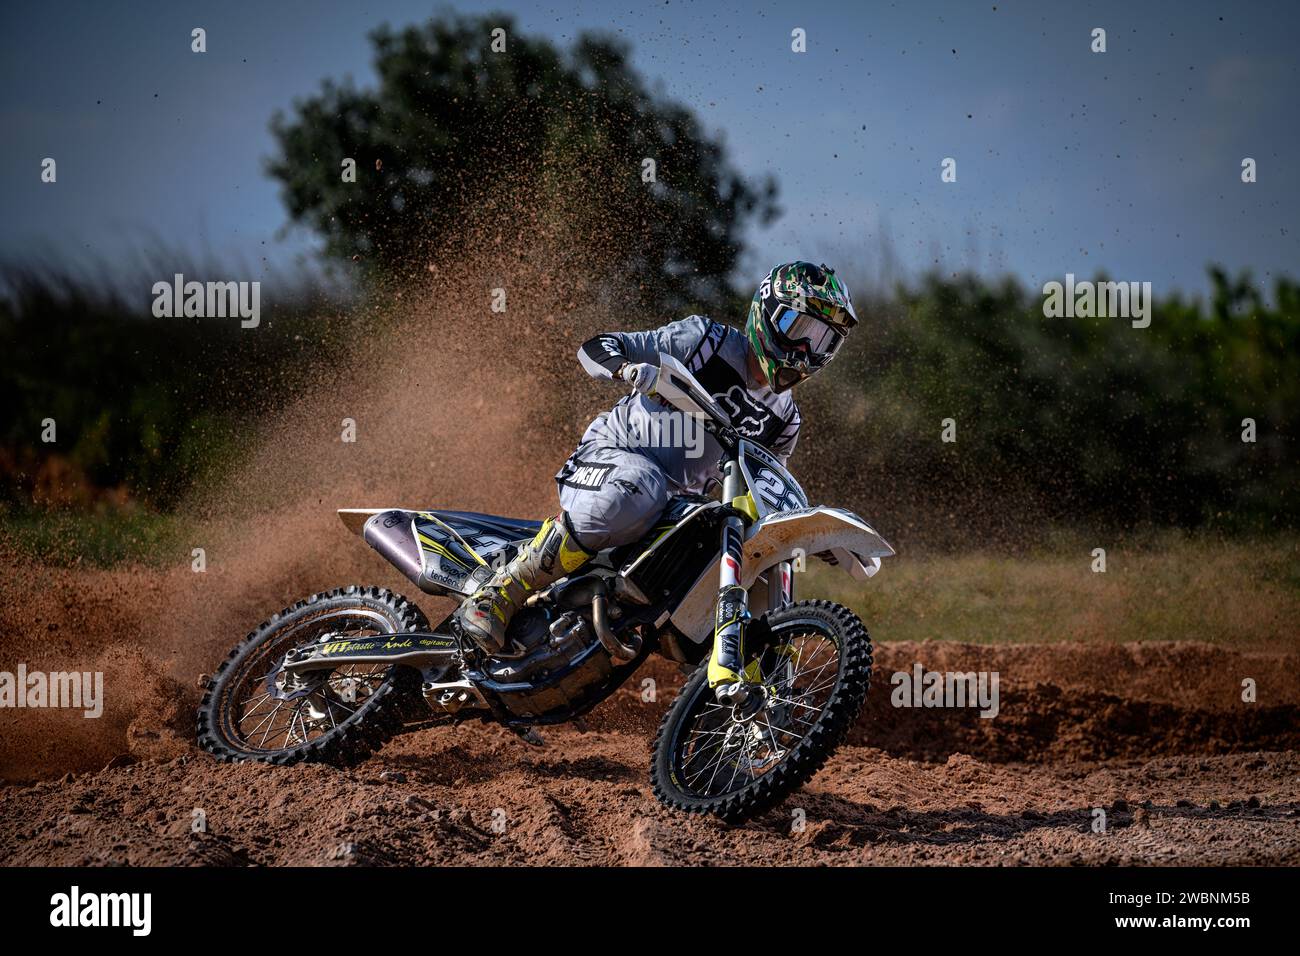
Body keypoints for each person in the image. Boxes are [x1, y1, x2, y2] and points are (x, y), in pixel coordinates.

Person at [454, 261, 858, 665]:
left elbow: (765, 489)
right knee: (643, 485)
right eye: (800, 330)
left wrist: (811, 536)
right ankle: (502, 590)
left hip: (678, 510)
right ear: (768, 312)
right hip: (609, 461)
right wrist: (629, 368)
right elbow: (597, 346)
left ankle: (738, 694)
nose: (806, 351)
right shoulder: (704, 341)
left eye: (824, 341)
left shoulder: (785, 419)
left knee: (761, 554)